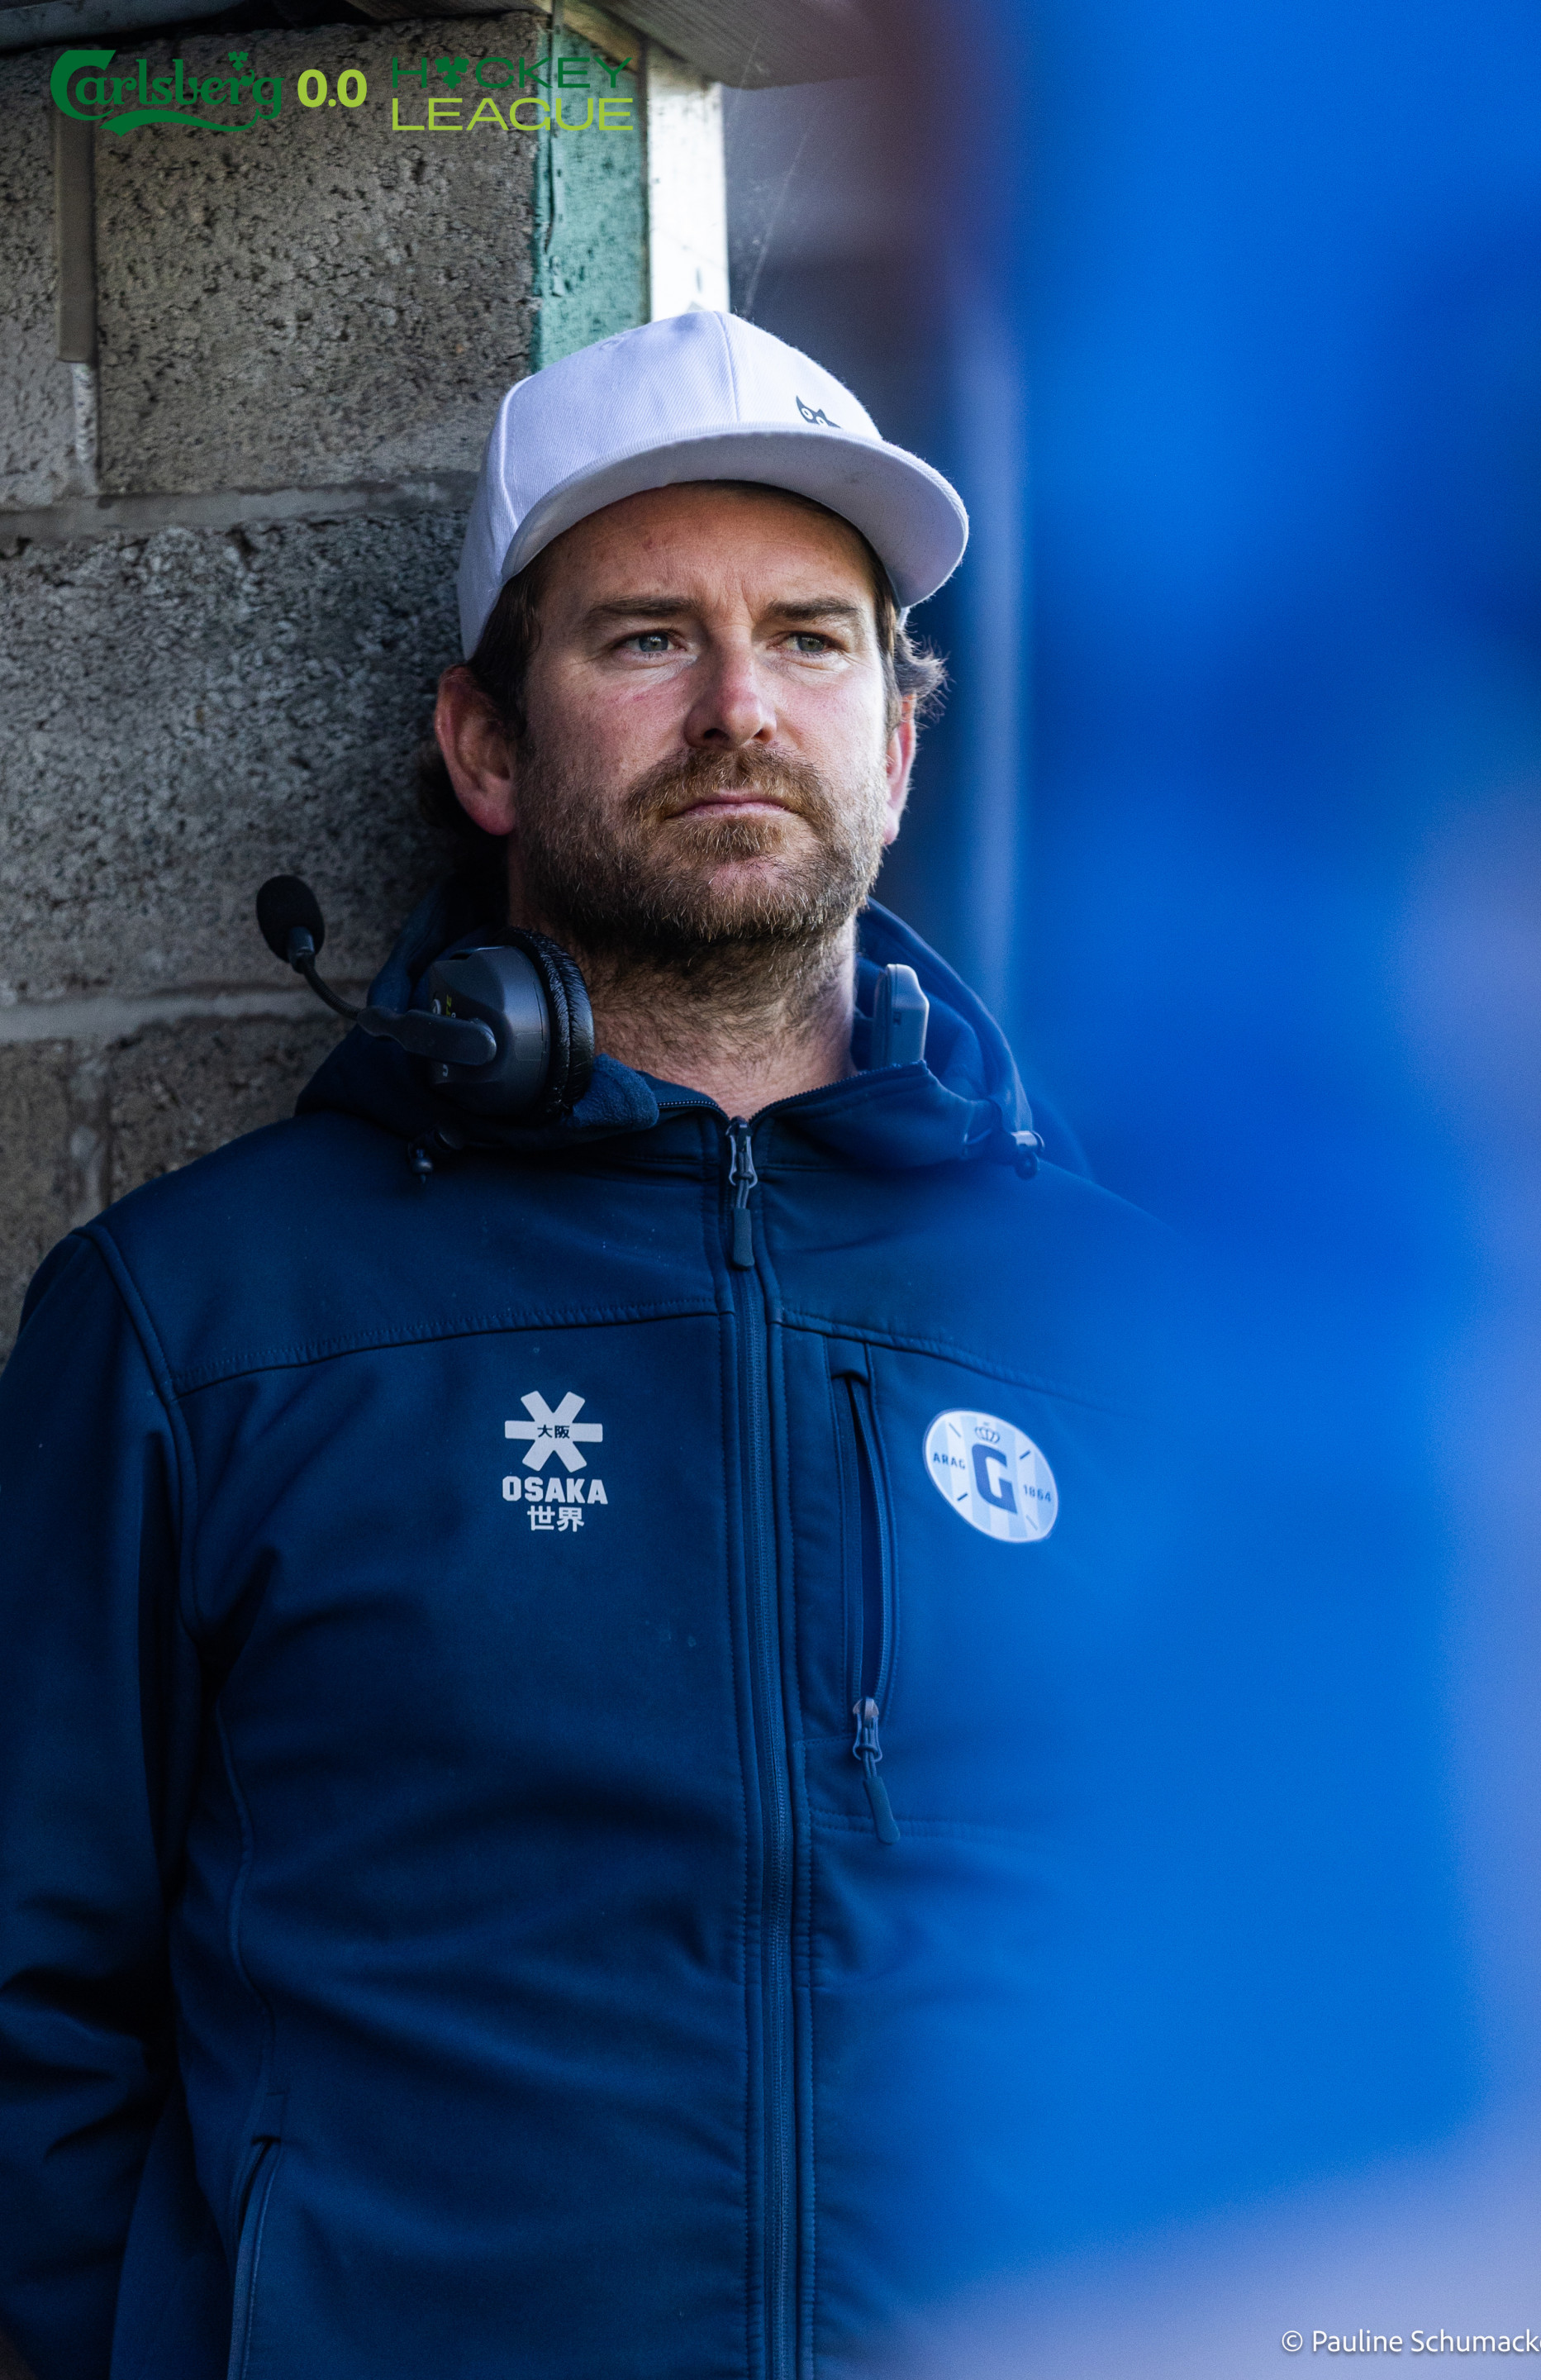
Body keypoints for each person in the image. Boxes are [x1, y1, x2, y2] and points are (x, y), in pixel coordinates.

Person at [0, 312, 1161, 2380]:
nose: (740, 706)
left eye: (810, 640)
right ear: (484, 747)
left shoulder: (1139, 1336)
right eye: (646, 639)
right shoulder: (200, 1321)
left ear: (901, 743)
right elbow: (30, 2005)